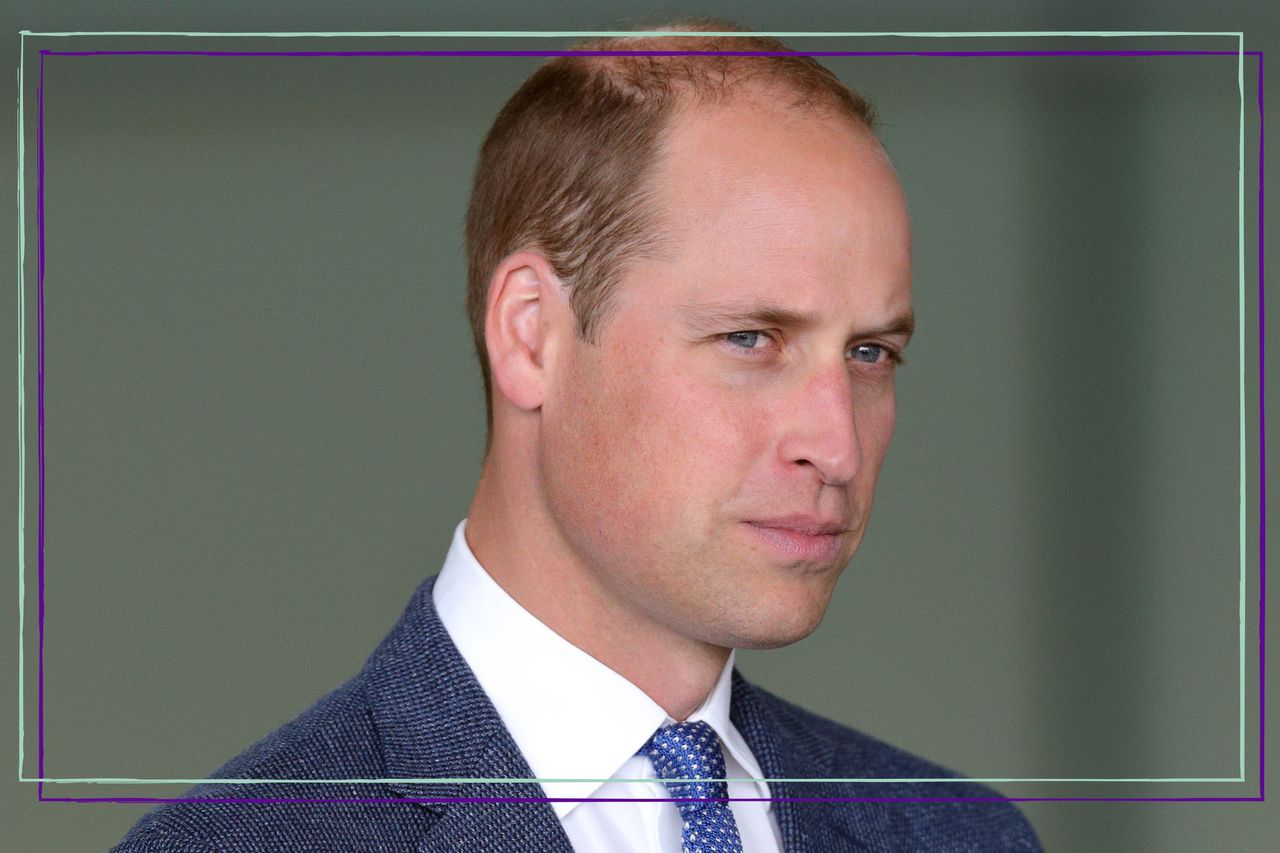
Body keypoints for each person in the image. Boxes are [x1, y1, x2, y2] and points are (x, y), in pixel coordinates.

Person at [115, 20, 1041, 852]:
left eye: (871, 352)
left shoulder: (960, 834)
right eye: (751, 339)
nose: (836, 448)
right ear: (532, 334)